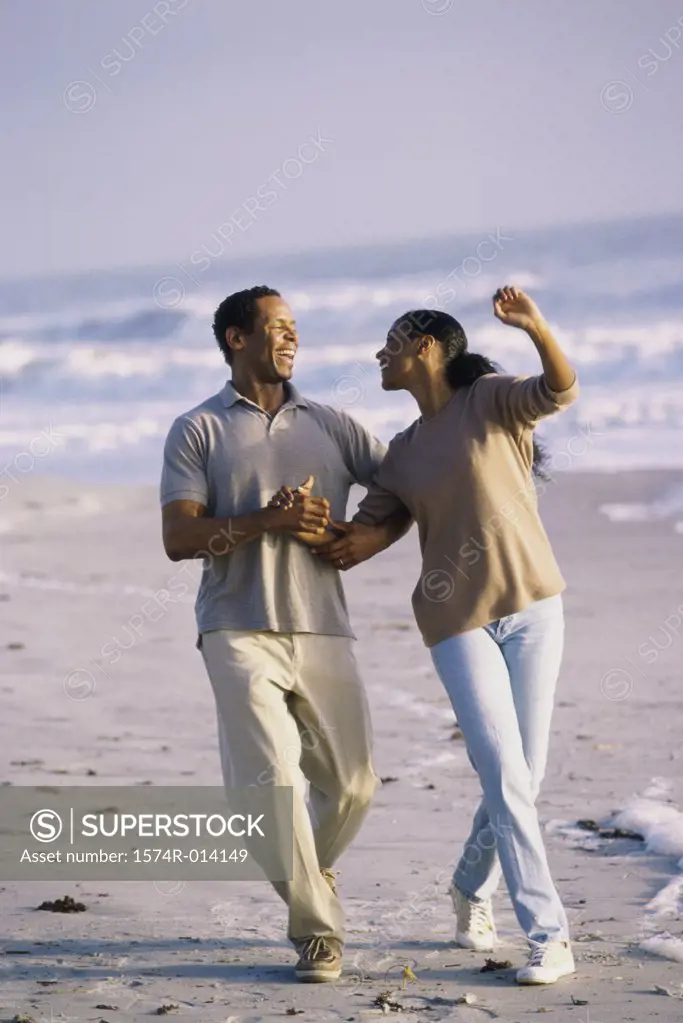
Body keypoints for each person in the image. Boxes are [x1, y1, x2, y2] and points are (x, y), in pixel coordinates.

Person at [313, 287, 580, 985]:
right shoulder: (399, 454)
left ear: (424, 348)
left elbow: (560, 387)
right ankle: (549, 935)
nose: (380, 354)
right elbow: (358, 539)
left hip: (534, 608)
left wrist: (534, 325)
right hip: (454, 620)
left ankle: (467, 885)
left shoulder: (489, 399)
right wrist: (295, 517)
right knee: (502, 772)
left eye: (391, 343)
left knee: (526, 775)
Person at [159, 285, 409, 983]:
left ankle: (305, 869)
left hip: (323, 624)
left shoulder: (330, 424)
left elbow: (408, 484)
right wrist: (268, 520)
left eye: (296, 327)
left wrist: (369, 537)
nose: (291, 337)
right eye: (276, 326)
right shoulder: (197, 428)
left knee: (353, 784)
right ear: (236, 339)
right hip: (234, 627)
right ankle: (317, 931)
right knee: (270, 786)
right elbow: (178, 536)